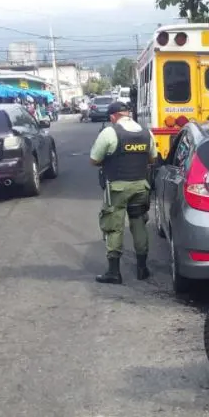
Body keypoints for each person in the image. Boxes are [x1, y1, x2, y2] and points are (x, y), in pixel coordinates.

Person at [89, 102, 157, 284]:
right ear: (128, 114)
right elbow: (152, 158)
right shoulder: (146, 132)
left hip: (118, 188)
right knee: (139, 224)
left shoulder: (110, 133)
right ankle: (142, 269)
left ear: (113, 117)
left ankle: (114, 272)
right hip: (141, 186)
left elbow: (94, 159)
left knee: (114, 226)